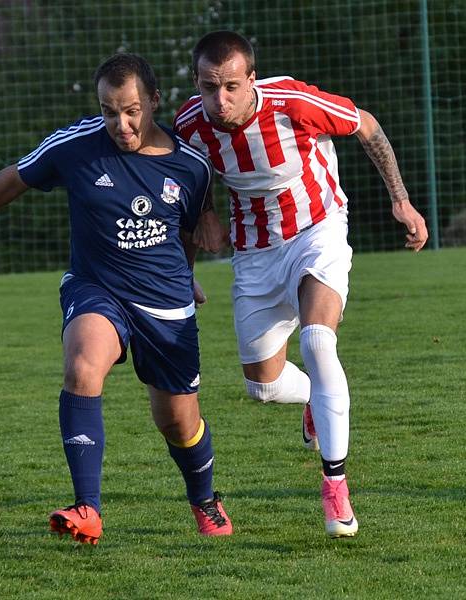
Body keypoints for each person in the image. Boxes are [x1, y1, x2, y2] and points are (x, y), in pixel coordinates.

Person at [0, 53, 232, 543]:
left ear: (153, 101)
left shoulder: (191, 166)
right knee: (83, 366)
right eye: (109, 111)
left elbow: (188, 229)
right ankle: (88, 507)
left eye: (131, 110)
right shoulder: (76, 146)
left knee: (177, 421)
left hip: (166, 303)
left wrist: (188, 276)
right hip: (97, 287)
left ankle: (204, 499)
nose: (121, 123)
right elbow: (13, 179)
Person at [174, 31, 428, 538]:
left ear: (251, 80)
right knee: (263, 386)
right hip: (254, 254)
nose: (219, 100)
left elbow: (367, 127)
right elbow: (188, 180)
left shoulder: (292, 102)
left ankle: (335, 484)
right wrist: (200, 225)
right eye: (208, 87)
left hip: (318, 230)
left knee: (317, 339)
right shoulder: (190, 125)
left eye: (230, 86)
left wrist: (400, 198)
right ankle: (315, 399)